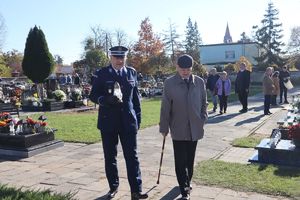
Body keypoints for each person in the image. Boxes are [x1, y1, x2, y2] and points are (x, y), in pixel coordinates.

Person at [89, 46, 148, 200]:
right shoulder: (101, 74)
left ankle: (136, 190)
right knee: (110, 157)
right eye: (116, 57)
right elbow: (93, 95)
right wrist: (104, 100)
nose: (119, 60)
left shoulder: (131, 72)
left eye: (122, 58)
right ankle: (113, 187)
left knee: (132, 157)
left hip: (128, 121)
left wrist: (138, 119)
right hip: (108, 122)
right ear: (111, 57)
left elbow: (135, 99)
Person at [159, 54, 208, 200]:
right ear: (177, 67)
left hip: (195, 127)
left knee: (190, 159)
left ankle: (187, 181)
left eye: (188, 69)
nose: (185, 72)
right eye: (182, 69)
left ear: (192, 68)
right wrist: (164, 127)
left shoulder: (199, 82)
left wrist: (203, 118)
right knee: (180, 160)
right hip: (178, 127)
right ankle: (184, 189)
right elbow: (165, 107)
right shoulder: (169, 83)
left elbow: (204, 101)